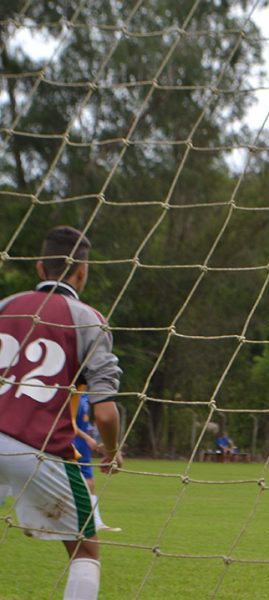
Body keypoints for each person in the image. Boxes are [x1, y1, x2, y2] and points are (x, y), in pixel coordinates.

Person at [0, 225, 123, 600]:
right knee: (85, 551)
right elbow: (105, 413)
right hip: (37, 448)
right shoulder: (87, 318)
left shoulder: (4, 307)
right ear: (82, 271)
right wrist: (112, 449)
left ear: (39, 268)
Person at [73, 390, 121, 532]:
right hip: (72, 443)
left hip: (83, 447)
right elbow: (66, 422)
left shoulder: (88, 396)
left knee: (90, 484)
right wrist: (87, 438)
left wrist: (100, 443)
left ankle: (97, 522)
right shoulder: (73, 394)